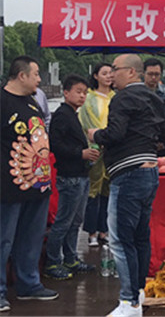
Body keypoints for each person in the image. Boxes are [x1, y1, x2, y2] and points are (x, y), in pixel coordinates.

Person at [88, 54, 165, 317]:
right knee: (140, 236)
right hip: (149, 170)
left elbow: (115, 133)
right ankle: (138, 291)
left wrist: (95, 134)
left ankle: (129, 301)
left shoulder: (123, 98)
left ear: (132, 72)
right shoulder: (154, 98)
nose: (112, 74)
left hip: (129, 172)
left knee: (121, 240)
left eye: (116, 69)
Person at [1, 56, 58, 313]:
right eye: (35, 74)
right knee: (3, 239)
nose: (39, 79)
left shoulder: (33, 101)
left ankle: (29, 284)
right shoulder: (3, 101)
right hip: (9, 185)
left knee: (31, 238)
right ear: (21, 75)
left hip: (37, 184)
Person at [45, 74, 99, 280]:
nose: (82, 96)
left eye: (85, 92)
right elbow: (55, 145)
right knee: (63, 221)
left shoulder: (73, 114)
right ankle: (52, 262)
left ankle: (71, 258)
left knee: (75, 222)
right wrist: (80, 153)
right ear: (66, 93)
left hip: (81, 174)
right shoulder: (62, 115)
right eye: (78, 92)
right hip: (69, 176)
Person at [79, 62, 114, 248]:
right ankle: (91, 231)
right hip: (95, 148)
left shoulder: (117, 97)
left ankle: (104, 230)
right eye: (104, 73)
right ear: (96, 76)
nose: (109, 76)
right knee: (93, 191)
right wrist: (100, 138)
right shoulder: (89, 98)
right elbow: (87, 123)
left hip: (113, 149)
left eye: (111, 73)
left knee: (108, 190)